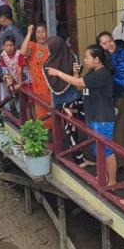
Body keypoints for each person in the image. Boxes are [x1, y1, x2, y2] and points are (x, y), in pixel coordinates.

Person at [47, 44, 117, 186]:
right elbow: (79, 86)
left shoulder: (101, 74)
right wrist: (76, 72)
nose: (84, 60)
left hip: (102, 119)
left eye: (87, 57)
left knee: (107, 151)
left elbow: (79, 82)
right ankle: (103, 176)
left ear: (96, 59)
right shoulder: (93, 72)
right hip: (94, 116)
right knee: (97, 149)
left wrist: (59, 73)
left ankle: (113, 182)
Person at [44, 35, 84, 163]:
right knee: (70, 129)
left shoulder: (50, 64)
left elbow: (77, 82)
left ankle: (77, 158)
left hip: (69, 101)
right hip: (66, 101)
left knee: (72, 129)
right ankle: (77, 158)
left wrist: (75, 73)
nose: (48, 50)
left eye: (49, 47)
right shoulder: (70, 58)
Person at [97, 31, 124, 156]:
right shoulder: (100, 59)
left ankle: (122, 160)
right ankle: (110, 160)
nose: (108, 44)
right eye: (104, 43)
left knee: (122, 130)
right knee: (109, 131)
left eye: (110, 41)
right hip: (106, 100)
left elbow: (122, 78)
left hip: (122, 97)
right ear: (100, 46)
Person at [21, 22, 51, 119]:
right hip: (38, 89)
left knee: (55, 117)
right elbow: (23, 52)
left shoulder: (53, 47)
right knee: (42, 117)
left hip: (52, 88)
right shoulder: (32, 46)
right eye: (38, 32)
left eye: (43, 32)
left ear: (48, 33)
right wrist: (29, 33)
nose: (41, 35)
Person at [0, 35, 25, 116]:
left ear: (15, 45)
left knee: (23, 102)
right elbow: (4, 68)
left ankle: (22, 116)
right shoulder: (3, 54)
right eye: (7, 45)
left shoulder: (19, 54)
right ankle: (13, 111)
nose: (9, 48)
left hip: (23, 79)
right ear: (3, 46)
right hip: (12, 78)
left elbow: (20, 69)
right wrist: (8, 79)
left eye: (11, 45)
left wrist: (19, 83)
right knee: (11, 96)